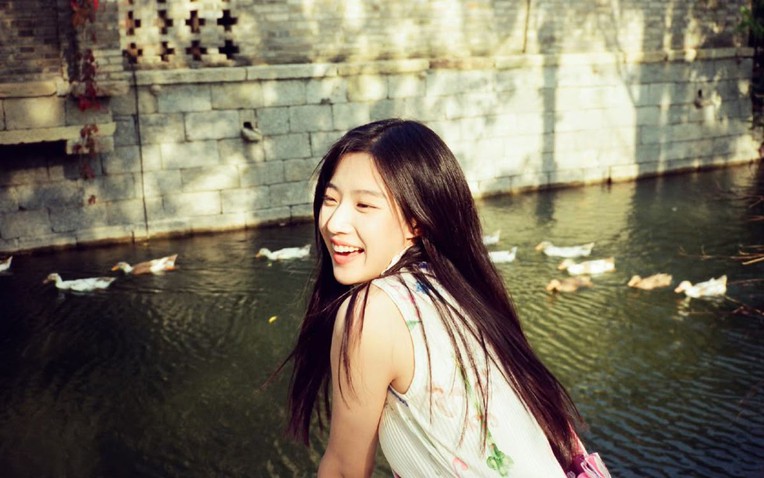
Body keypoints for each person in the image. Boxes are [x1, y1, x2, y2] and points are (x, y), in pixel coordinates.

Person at [284, 119, 586, 477]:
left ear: (416, 221)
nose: (334, 222)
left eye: (364, 205)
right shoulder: (458, 288)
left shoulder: (372, 313)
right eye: (330, 199)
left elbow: (344, 470)